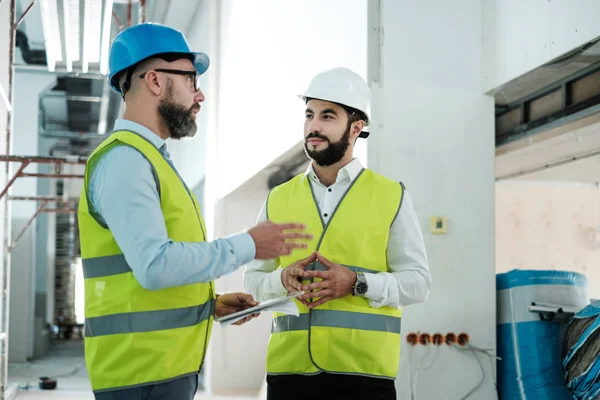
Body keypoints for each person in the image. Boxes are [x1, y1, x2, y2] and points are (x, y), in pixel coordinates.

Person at [77, 23, 311, 400]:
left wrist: (209, 307)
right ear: (154, 81)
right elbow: (155, 266)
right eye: (190, 79)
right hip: (142, 374)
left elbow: (150, 279)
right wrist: (248, 245)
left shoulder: (149, 159)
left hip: (160, 370)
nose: (199, 94)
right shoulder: (125, 160)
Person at [243, 67, 432, 400]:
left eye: (328, 116)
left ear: (356, 128)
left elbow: (418, 283)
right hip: (289, 375)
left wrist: (357, 283)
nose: (314, 126)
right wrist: (281, 279)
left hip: (364, 376)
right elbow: (254, 279)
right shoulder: (279, 198)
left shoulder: (391, 196)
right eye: (309, 115)